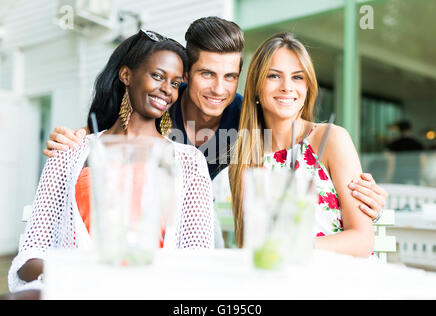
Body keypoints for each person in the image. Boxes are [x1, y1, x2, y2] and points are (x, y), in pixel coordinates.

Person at [42, 17, 386, 229]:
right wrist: (74, 137)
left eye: (230, 76)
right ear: (186, 74)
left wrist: (364, 196)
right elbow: (104, 138)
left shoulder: (249, 120)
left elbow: (297, 153)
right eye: (207, 74)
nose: (219, 89)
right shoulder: (157, 107)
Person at [8, 30, 215, 294]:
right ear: (126, 75)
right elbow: (30, 256)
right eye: (158, 76)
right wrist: (77, 276)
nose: (167, 90)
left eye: (175, 83)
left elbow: (196, 258)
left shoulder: (189, 162)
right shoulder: (70, 151)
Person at [229, 32, 387, 257]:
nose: (287, 87)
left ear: (308, 87)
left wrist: (295, 247)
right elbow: (251, 246)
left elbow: (362, 240)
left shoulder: (331, 139)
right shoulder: (246, 156)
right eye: (274, 76)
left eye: (297, 77)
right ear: (255, 86)